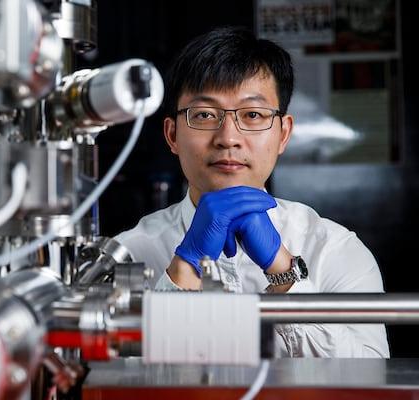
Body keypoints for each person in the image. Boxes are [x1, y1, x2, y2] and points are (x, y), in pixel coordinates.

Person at [114, 26, 389, 358]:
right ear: (172, 135)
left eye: (253, 115)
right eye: (204, 115)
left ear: (283, 133)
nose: (228, 137)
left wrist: (283, 269)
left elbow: (369, 380)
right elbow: (116, 381)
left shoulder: (334, 250)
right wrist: (184, 270)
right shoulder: (129, 254)